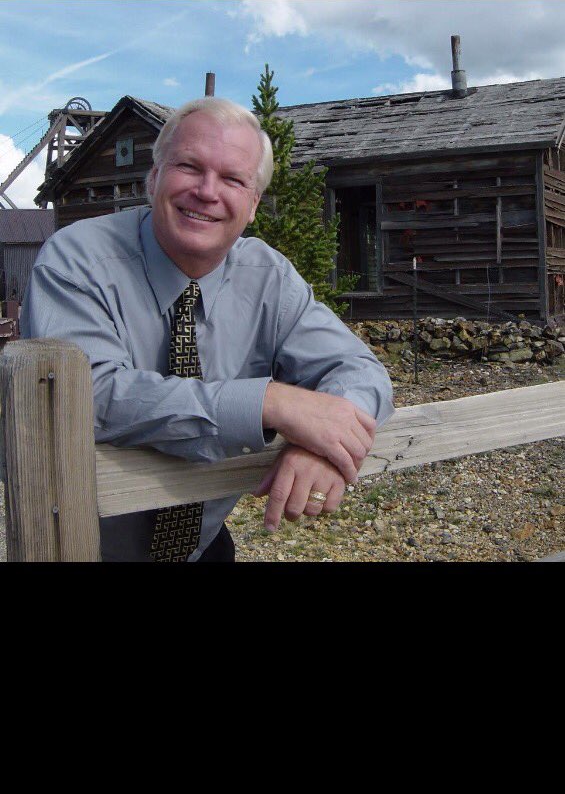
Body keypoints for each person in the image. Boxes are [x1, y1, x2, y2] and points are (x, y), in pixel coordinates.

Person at [20, 97, 394, 562]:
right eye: (189, 167)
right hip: (77, 547)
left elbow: (361, 370)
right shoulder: (76, 260)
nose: (207, 191)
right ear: (153, 178)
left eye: (233, 179)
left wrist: (325, 444)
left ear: (253, 204)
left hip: (202, 548)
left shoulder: (269, 277)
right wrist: (270, 403)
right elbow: (85, 394)